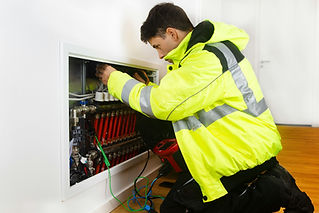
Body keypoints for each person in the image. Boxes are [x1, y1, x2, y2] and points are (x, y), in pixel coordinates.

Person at [96, 2, 314, 213]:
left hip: (242, 153)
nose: (160, 56)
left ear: (172, 33)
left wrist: (114, 79)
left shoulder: (207, 58)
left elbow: (162, 105)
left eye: (157, 46)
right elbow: (183, 97)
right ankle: (269, 177)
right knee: (175, 206)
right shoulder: (200, 56)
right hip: (232, 146)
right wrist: (149, 88)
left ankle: (277, 189)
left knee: (189, 207)